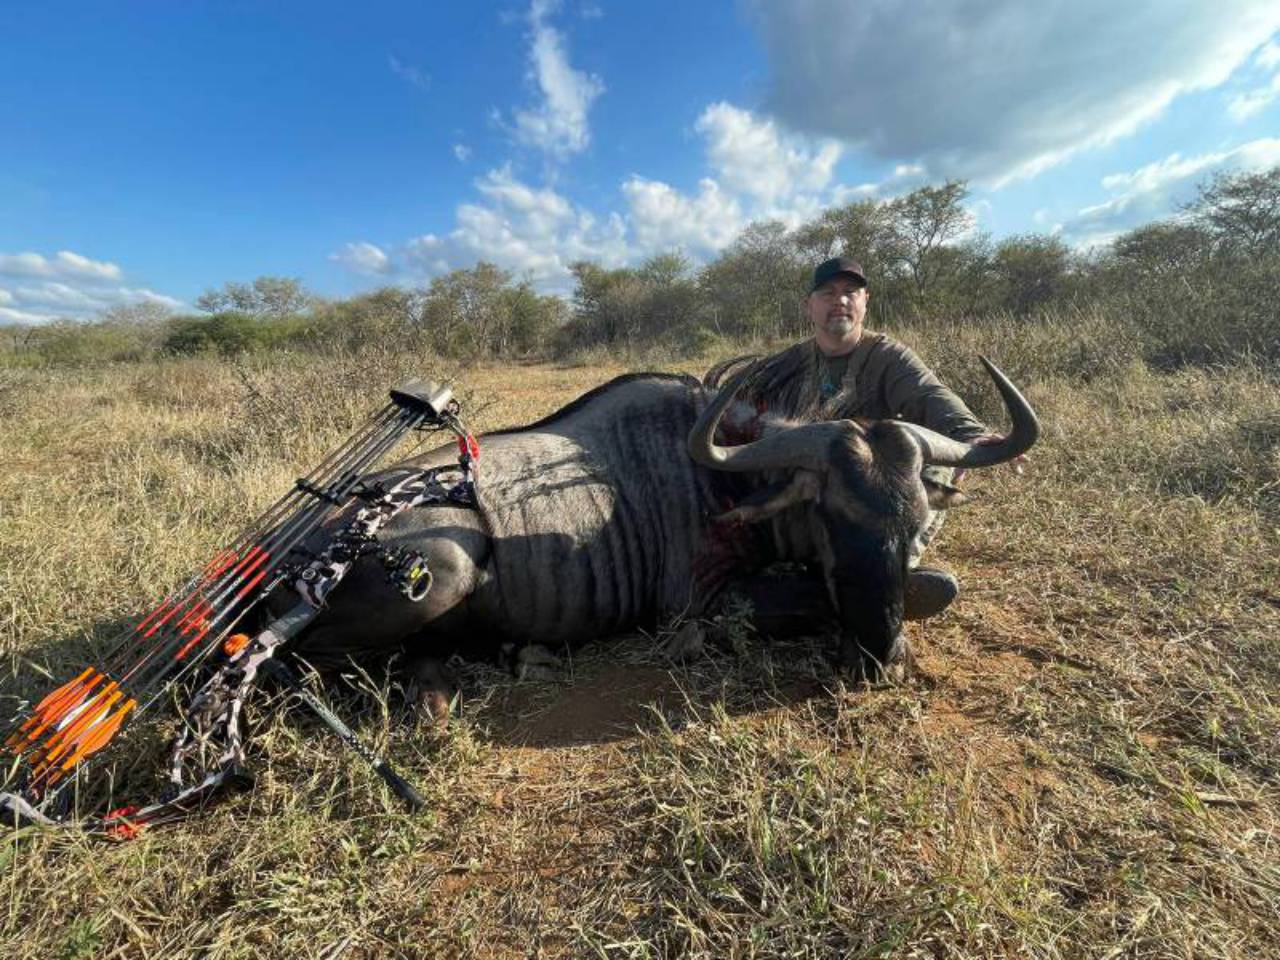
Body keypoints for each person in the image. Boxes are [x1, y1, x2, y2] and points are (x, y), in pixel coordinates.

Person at [713, 256, 1022, 620]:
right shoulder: (786, 364)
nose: (840, 301)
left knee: (928, 470)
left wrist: (974, 434)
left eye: (850, 292)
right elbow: (733, 408)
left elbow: (931, 396)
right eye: (828, 293)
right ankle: (818, 578)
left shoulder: (889, 357)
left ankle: (896, 575)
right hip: (817, 487)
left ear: (865, 302)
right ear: (809, 306)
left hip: (875, 489)